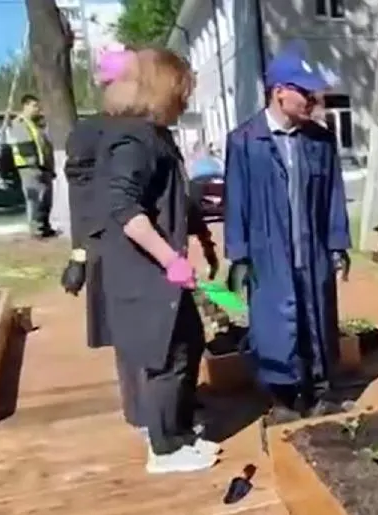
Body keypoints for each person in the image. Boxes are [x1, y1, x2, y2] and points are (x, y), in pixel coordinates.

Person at [99, 48, 220, 474]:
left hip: (162, 272)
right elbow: (124, 209)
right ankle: (165, 450)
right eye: (182, 91)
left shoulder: (157, 135)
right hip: (146, 275)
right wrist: (171, 259)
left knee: (189, 343)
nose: (185, 100)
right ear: (161, 88)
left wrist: (200, 236)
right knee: (167, 359)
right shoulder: (132, 140)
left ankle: (180, 430)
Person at [223, 43, 352, 423]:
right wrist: (239, 254)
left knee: (317, 316)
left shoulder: (320, 140)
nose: (314, 99)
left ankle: (320, 391)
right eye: (305, 91)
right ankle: (281, 400)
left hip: (310, 248)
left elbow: (333, 194)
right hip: (267, 252)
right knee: (274, 323)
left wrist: (337, 245)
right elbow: (237, 199)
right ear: (279, 91)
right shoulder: (245, 141)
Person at [60, 47, 146, 435]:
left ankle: (162, 402)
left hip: (146, 243)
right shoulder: (89, 133)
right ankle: (142, 412)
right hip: (110, 249)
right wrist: (79, 254)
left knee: (157, 329)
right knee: (130, 335)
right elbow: (83, 201)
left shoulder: (144, 128)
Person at [7, 94, 56, 238]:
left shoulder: (36, 125)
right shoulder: (20, 123)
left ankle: (44, 226)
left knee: (46, 199)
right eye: (34, 106)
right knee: (35, 198)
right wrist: (34, 165)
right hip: (29, 167)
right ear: (25, 105)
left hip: (43, 167)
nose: (37, 109)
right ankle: (35, 229)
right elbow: (25, 146)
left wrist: (49, 167)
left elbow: (45, 147)